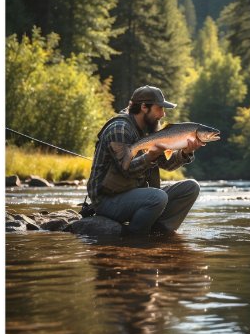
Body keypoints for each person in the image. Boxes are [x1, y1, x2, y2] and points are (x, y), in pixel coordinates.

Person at [87, 85, 205, 235]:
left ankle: (160, 232)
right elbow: (127, 171)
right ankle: (136, 236)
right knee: (158, 197)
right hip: (107, 199)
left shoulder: (150, 129)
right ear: (144, 107)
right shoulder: (120, 129)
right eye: (159, 108)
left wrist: (186, 152)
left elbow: (167, 164)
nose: (163, 114)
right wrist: (150, 156)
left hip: (135, 193)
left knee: (191, 187)